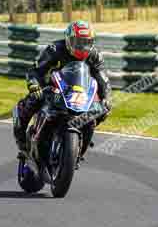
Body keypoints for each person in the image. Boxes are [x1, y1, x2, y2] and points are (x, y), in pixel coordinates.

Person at [12, 20, 112, 165]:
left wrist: (106, 98)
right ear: (68, 40)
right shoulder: (55, 49)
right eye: (78, 42)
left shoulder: (94, 56)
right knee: (30, 102)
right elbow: (35, 71)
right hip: (53, 90)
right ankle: (22, 143)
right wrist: (34, 85)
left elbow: (103, 80)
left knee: (102, 110)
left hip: (80, 95)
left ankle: (79, 148)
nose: (82, 47)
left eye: (87, 42)